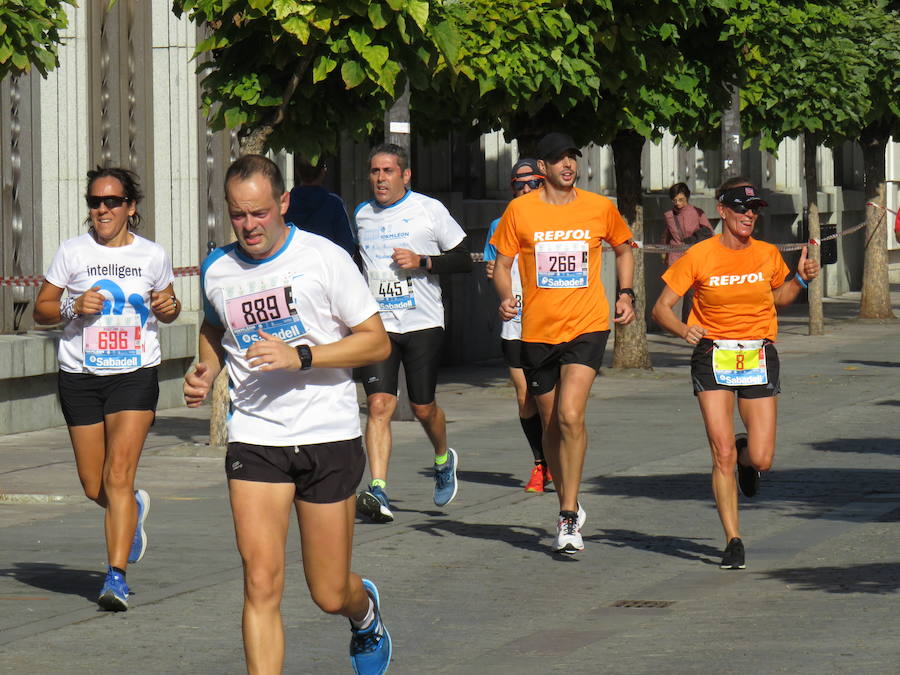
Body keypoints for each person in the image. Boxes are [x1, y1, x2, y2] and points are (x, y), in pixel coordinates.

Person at [183, 155, 392, 674]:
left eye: (258, 213)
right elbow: (214, 329)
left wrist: (301, 355)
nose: (249, 226)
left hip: (327, 433)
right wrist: (205, 370)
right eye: (237, 215)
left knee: (327, 591)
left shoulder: (324, 258)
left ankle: (363, 612)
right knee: (260, 582)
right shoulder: (218, 267)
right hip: (256, 438)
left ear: (282, 203)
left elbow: (376, 342)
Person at [651, 177, 820, 570]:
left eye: (754, 209)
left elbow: (778, 298)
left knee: (761, 458)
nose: (749, 215)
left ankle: (748, 456)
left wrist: (800, 279)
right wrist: (682, 329)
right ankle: (733, 539)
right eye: (741, 208)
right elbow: (661, 308)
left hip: (758, 354)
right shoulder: (699, 255)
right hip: (713, 356)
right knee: (720, 452)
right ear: (722, 211)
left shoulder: (765, 254)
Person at [33, 167, 180, 611]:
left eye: (112, 201)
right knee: (92, 483)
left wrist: (168, 307)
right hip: (79, 376)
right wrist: (71, 305)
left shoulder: (152, 255)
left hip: (134, 374)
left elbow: (168, 308)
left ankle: (114, 578)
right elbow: (41, 311)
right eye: (95, 202)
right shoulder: (71, 253)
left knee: (117, 475)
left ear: (130, 208)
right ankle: (132, 507)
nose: (102, 209)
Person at [490, 132, 636, 554]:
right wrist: (505, 296)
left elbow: (625, 250)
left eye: (573, 156)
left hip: (587, 325)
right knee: (553, 423)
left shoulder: (599, 208)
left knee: (571, 415)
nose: (568, 165)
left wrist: (626, 294)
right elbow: (501, 264)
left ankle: (568, 515)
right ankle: (566, 499)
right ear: (543, 168)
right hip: (537, 331)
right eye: (558, 159)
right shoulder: (521, 211)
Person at [354, 143, 472, 523]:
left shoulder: (429, 209)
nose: (380, 179)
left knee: (422, 407)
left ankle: (442, 458)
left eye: (388, 171)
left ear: (405, 175)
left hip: (422, 321)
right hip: (380, 326)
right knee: (379, 406)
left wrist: (423, 261)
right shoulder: (361, 215)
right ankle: (379, 490)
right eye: (375, 171)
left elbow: (463, 258)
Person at [483, 158, 551, 493]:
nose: (525, 190)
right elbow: (492, 265)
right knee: (525, 396)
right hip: (514, 321)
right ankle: (541, 463)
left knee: (550, 398)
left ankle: (557, 458)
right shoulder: (499, 223)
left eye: (532, 183)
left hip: (552, 321)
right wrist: (494, 273)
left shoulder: (555, 219)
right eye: (518, 185)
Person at [284, 156, 357, 257]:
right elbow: (347, 247)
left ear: (297, 171)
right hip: (326, 266)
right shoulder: (334, 203)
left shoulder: (285, 204)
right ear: (323, 172)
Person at [663, 182, 715, 322]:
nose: (678, 203)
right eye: (675, 200)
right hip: (675, 256)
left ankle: (690, 322)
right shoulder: (668, 215)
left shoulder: (697, 213)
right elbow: (667, 236)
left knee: (692, 293)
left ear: (687, 197)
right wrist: (665, 254)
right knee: (673, 292)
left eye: (681, 200)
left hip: (694, 256)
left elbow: (709, 233)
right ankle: (673, 323)